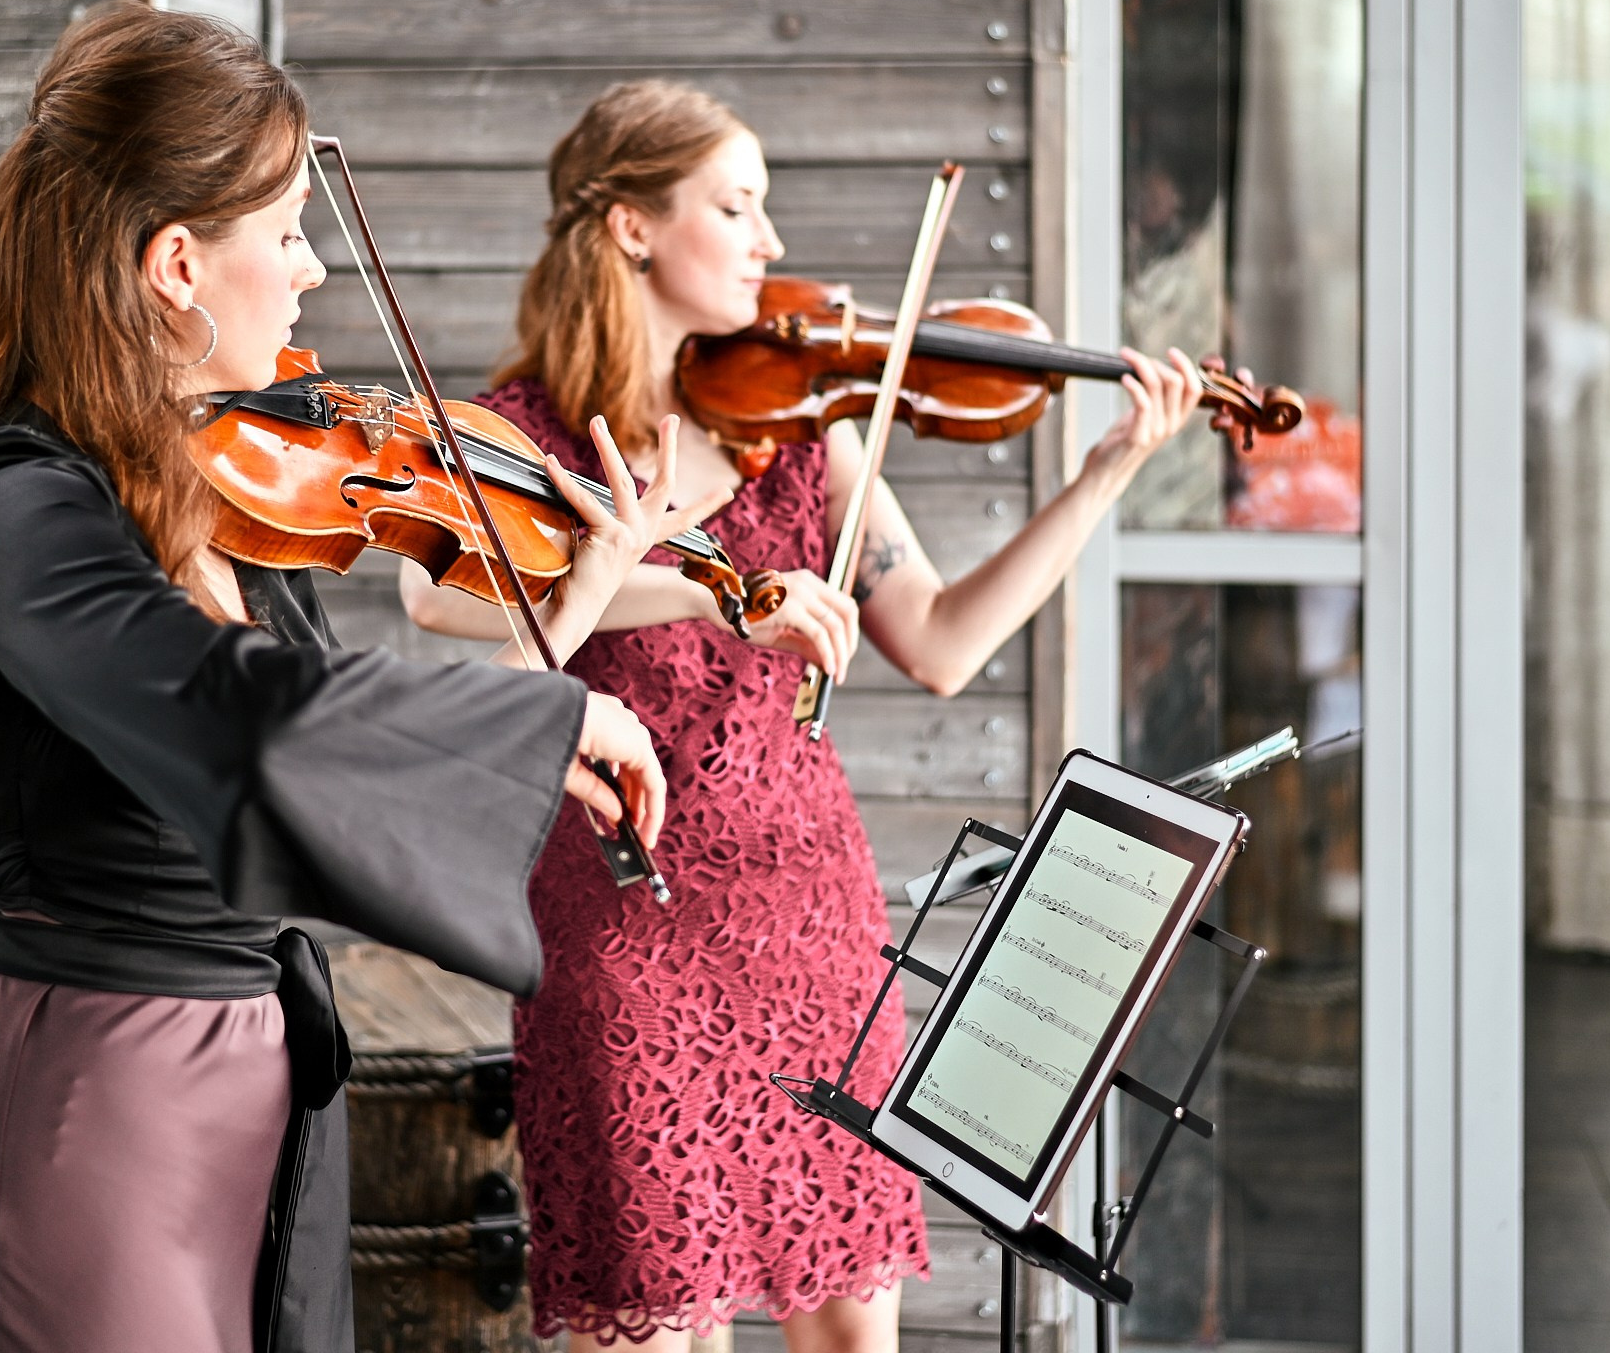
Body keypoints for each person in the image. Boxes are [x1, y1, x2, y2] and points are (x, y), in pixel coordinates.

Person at [0, 7, 721, 1353]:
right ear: (177, 266)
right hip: (96, 1133)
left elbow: (331, 768)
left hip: (243, 1119)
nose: (315, 270)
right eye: (285, 233)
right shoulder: (23, 506)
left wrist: (563, 634)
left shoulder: (220, 502)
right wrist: (544, 716)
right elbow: (243, 723)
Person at [400, 81, 1205, 1353]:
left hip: (809, 922)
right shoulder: (518, 439)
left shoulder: (799, 436)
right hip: (621, 928)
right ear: (629, 227)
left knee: (850, 1336)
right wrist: (711, 589)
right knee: (658, 1325)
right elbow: (437, 598)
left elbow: (940, 641)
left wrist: (1101, 477)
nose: (770, 243)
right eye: (735, 207)